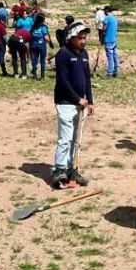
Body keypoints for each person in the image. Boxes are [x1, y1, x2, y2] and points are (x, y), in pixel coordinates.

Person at [52, 22, 94, 189]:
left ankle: (71, 170)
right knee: (66, 138)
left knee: (76, 139)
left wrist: (90, 101)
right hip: (65, 102)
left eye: (85, 38)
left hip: (80, 103)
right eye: (80, 38)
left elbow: (87, 78)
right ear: (72, 37)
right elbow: (62, 81)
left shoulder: (84, 54)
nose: (83, 41)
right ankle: (59, 170)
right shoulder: (63, 54)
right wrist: (77, 99)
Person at [30, 13, 54, 80]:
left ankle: (34, 76)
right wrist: (50, 42)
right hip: (42, 45)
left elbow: (30, 35)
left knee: (34, 60)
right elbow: (46, 37)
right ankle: (42, 76)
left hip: (34, 44)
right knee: (42, 61)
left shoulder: (33, 26)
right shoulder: (43, 27)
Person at [102, 6, 119, 78]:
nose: (103, 12)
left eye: (104, 11)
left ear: (106, 10)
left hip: (108, 39)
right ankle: (116, 71)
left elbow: (104, 28)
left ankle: (109, 73)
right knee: (115, 55)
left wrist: (102, 28)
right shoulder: (115, 19)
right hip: (114, 39)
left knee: (110, 57)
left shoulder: (107, 18)